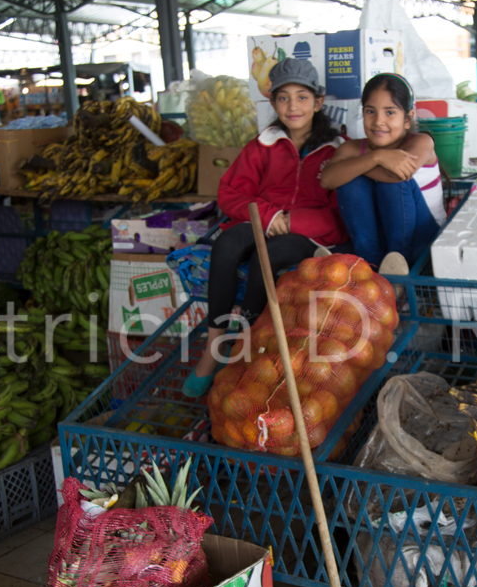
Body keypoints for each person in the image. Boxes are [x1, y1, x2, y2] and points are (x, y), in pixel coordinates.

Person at [181, 58, 347, 398]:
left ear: (317, 103)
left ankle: (246, 340)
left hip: (306, 233)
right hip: (262, 219)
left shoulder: (337, 151)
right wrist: (269, 215)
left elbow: (340, 213)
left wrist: (293, 222)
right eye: (283, 98)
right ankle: (214, 344)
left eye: (302, 97)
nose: (293, 106)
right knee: (227, 243)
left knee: (267, 256)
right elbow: (230, 192)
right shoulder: (263, 145)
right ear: (272, 103)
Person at [320, 73, 445, 269]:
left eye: (390, 112)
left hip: (423, 242)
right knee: (350, 182)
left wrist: (357, 165)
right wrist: (376, 157)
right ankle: (370, 266)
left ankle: (399, 270)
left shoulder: (420, 142)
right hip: (378, 242)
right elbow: (327, 179)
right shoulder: (354, 148)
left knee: (391, 185)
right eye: (370, 111)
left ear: (407, 118)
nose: (378, 121)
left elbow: (396, 176)